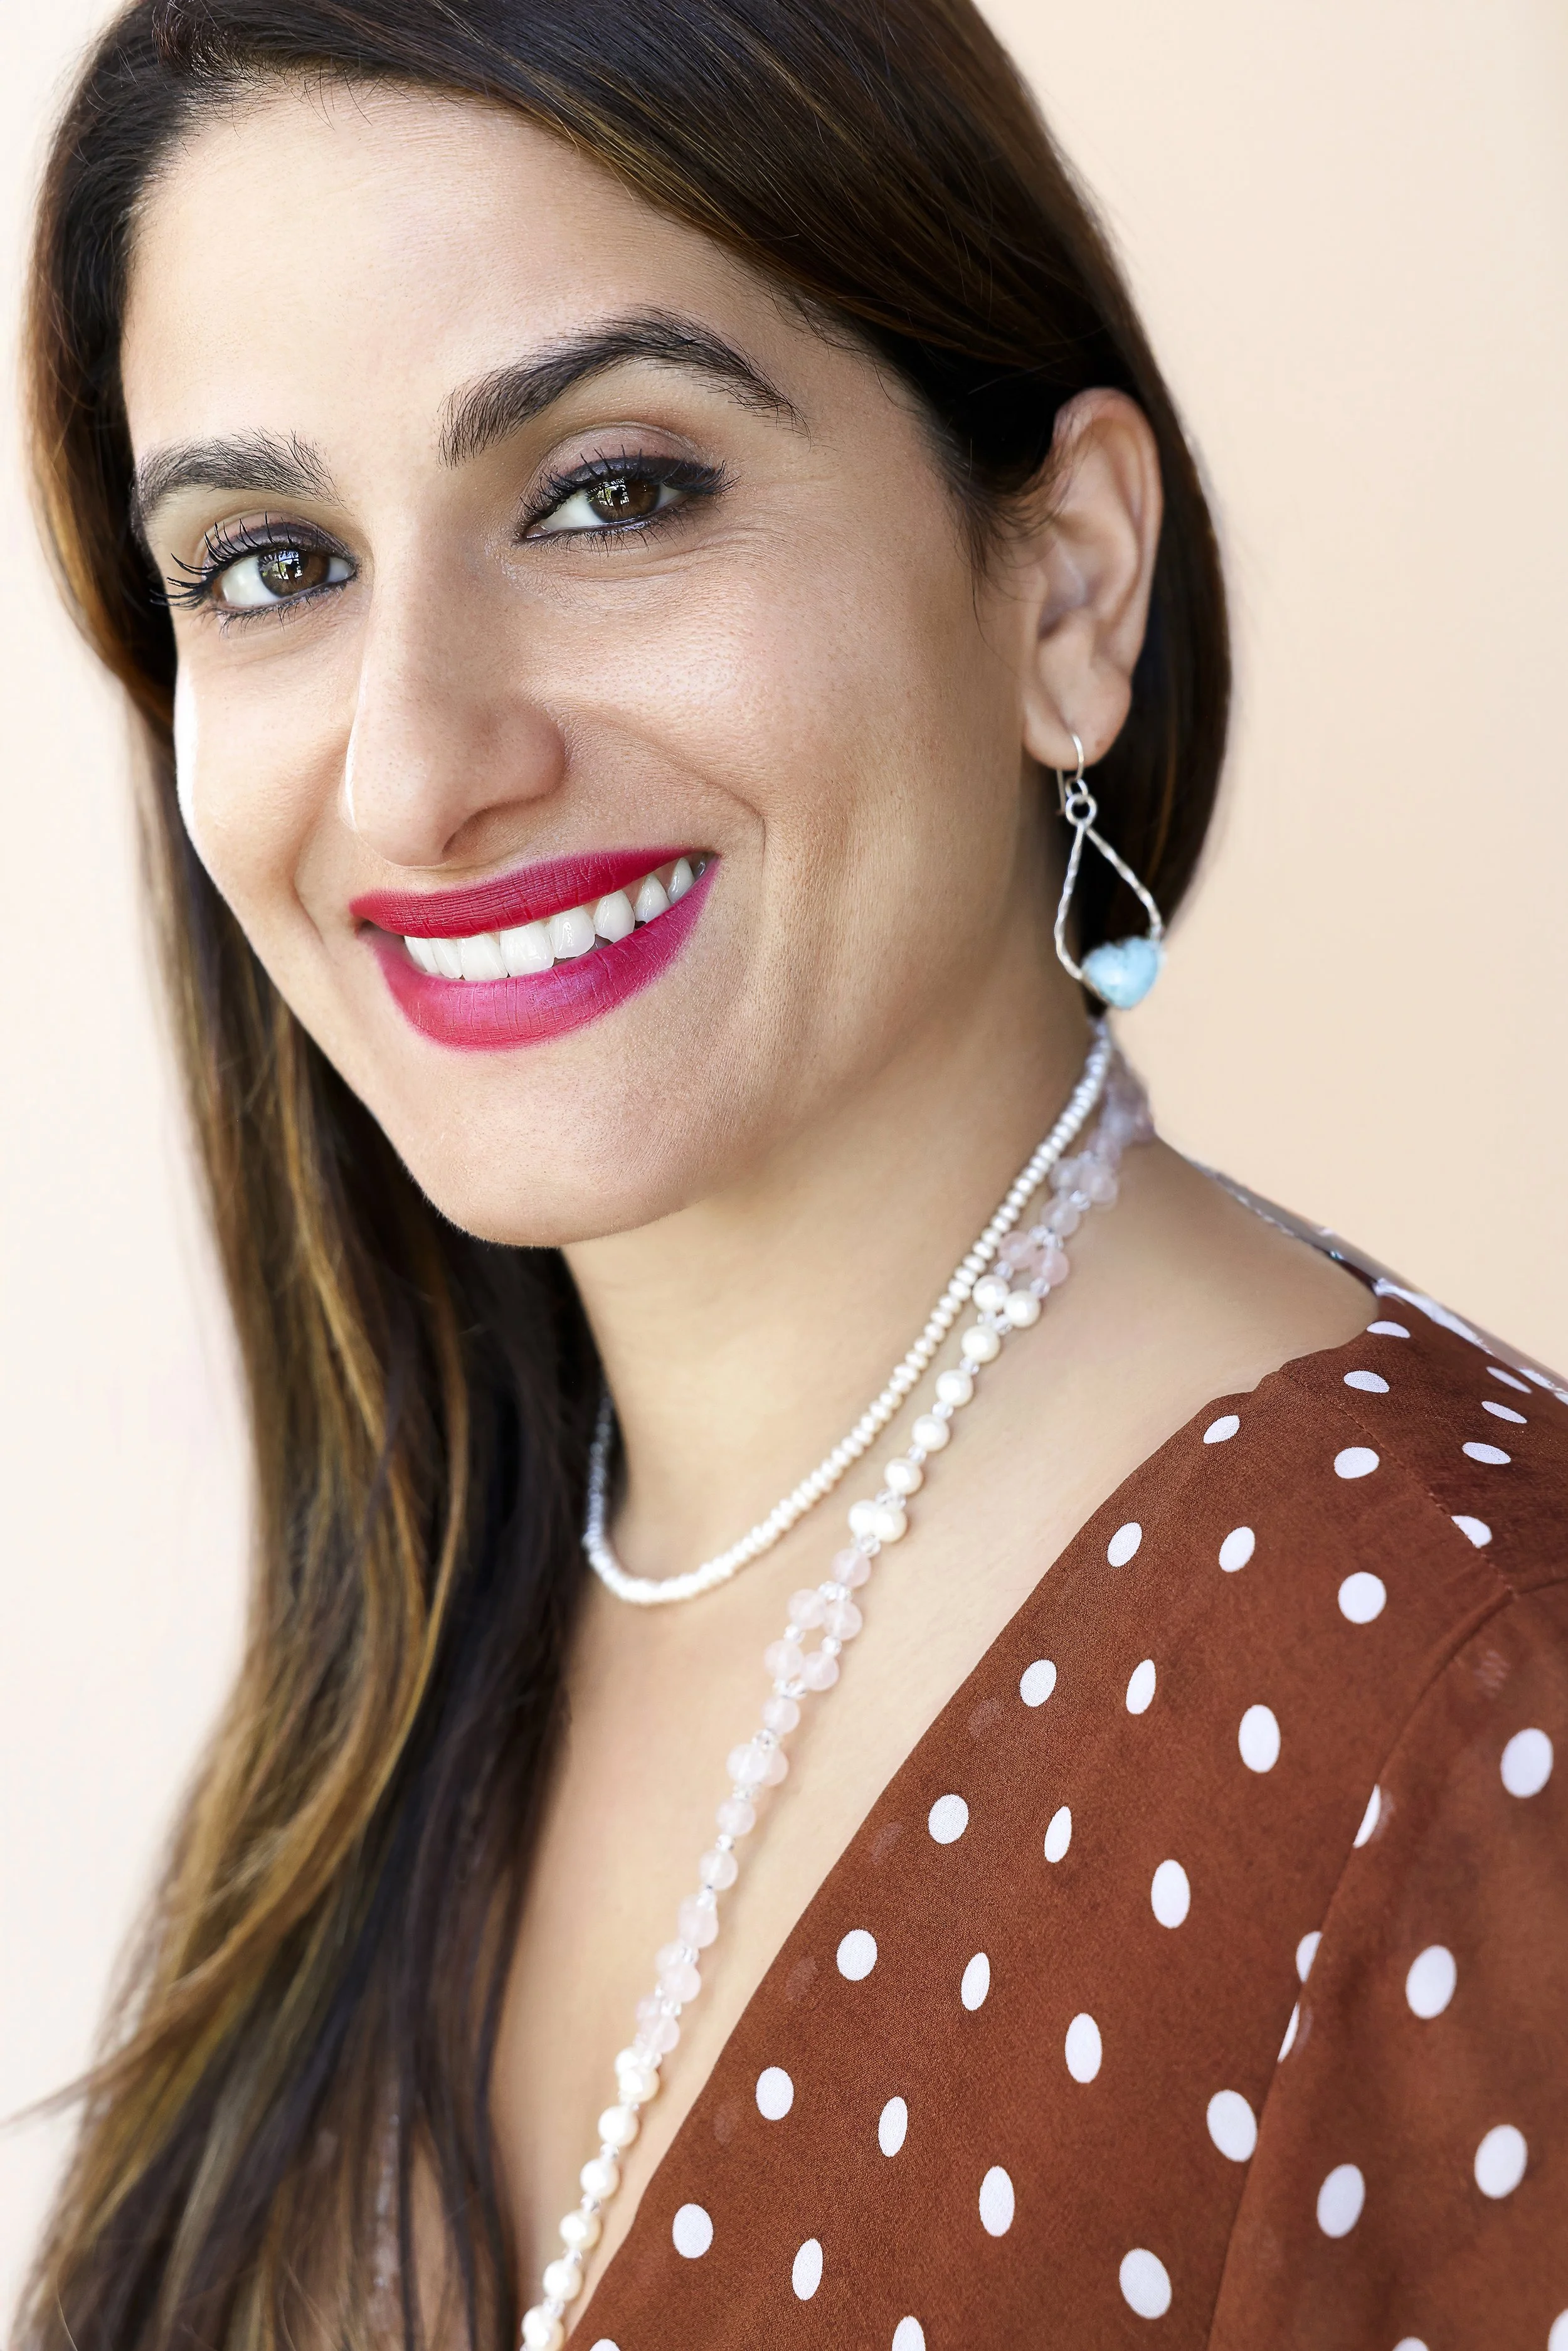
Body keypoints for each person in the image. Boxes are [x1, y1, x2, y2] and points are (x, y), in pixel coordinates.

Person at [21, 0, 1566, 2344]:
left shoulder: (1477, 1714)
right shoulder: (425, 1624)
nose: (417, 768)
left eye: (611, 492)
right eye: (267, 561)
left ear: (1065, 585)